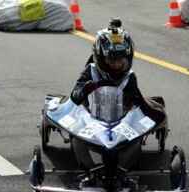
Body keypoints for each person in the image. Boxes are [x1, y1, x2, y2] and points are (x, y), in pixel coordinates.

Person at [70, 18, 168, 147]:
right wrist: (86, 90)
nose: (117, 64)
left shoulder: (129, 77)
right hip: (92, 117)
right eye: (112, 59)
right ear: (101, 58)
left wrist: (123, 97)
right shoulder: (91, 71)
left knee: (154, 111)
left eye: (121, 59)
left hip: (120, 120)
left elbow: (132, 105)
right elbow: (74, 97)